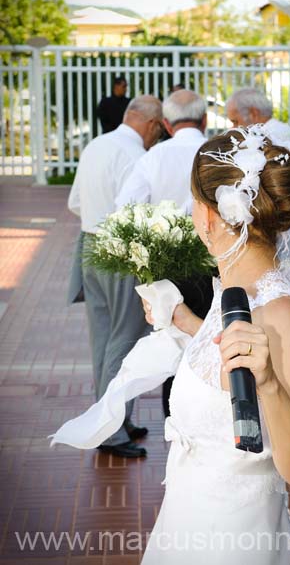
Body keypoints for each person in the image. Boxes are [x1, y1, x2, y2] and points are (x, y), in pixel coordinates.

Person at [139, 126, 290, 563]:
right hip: (185, 524)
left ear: (207, 214)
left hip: (236, 542)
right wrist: (184, 321)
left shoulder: (278, 314)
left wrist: (270, 386)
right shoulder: (234, 290)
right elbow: (224, 377)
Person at [68, 95, 163, 458]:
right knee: (124, 341)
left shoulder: (97, 144)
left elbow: (74, 202)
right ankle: (111, 431)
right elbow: (140, 211)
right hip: (120, 250)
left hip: (90, 247)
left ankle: (116, 421)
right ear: (152, 124)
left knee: (104, 341)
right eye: (158, 130)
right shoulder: (136, 155)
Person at [116, 89, 215, 417]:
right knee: (213, 338)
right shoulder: (218, 153)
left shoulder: (153, 157)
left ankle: (178, 422)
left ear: (168, 125)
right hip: (217, 265)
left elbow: (125, 209)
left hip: (169, 269)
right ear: (204, 120)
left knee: (175, 347)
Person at [226, 88, 290, 294]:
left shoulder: (268, 137)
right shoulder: (284, 133)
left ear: (252, 113)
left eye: (234, 121)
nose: (233, 128)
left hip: (280, 243)